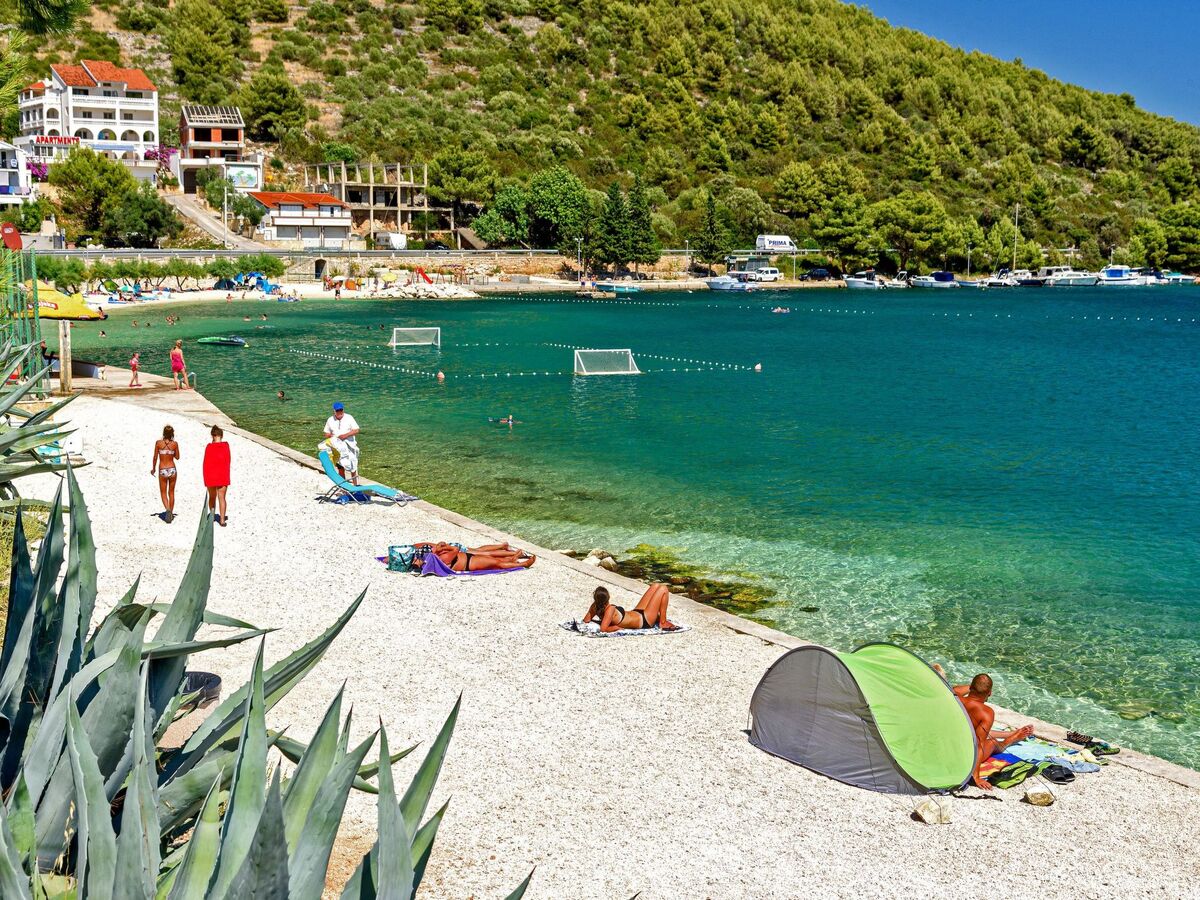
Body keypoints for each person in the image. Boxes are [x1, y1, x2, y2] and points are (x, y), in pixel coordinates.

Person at [954, 674, 1035, 790]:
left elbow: (955, 689)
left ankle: (1011, 734)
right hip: (963, 757)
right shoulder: (986, 713)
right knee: (991, 742)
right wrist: (976, 776)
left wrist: (977, 685)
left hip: (946, 749)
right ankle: (1010, 740)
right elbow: (979, 744)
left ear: (971, 687)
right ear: (990, 693)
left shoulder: (955, 698)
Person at [584, 584, 676, 632]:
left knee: (655, 586)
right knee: (663, 589)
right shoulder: (609, 609)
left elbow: (586, 620)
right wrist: (615, 627)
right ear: (608, 597)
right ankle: (663, 622)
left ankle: (658, 617)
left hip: (637, 612)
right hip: (644, 620)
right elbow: (603, 629)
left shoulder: (595, 606)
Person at [414, 541, 535, 572]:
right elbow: (455, 550)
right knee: (497, 563)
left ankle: (513, 558)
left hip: (468, 559)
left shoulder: (435, 560)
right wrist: (444, 546)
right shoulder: (442, 558)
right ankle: (523, 563)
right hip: (469, 563)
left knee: (493, 560)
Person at [324, 401, 360, 485]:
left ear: (343, 410)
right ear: (334, 411)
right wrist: (334, 436)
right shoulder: (330, 420)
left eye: (341, 410)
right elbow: (326, 434)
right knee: (340, 467)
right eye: (338, 410)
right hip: (337, 447)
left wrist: (345, 435)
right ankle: (343, 486)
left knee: (353, 467)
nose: (340, 412)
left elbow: (356, 430)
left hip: (350, 447)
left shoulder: (349, 418)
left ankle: (356, 486)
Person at [202, 425, 231, 526]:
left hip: (211, 475)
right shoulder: (226, 446)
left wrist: (206, 478)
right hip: (222, 475)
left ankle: (212, 516)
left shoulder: (209, 447)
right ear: (221, 435)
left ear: (212, 435)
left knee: (212, 497)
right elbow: (228, 461)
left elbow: (205, 463)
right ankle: (222, 520)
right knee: (222, 498)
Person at [151, 424, 180, 522]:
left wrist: (153, 469)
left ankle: (167, 509)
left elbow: (155, 457)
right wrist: (171, 451)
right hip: (172, 469)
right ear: (172, 434)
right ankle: (170, 512)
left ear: (163, 433)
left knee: (163, 492)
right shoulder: (175, 444)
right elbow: (177, 457)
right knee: (171, 492)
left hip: (162, 469)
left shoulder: (158, 443)